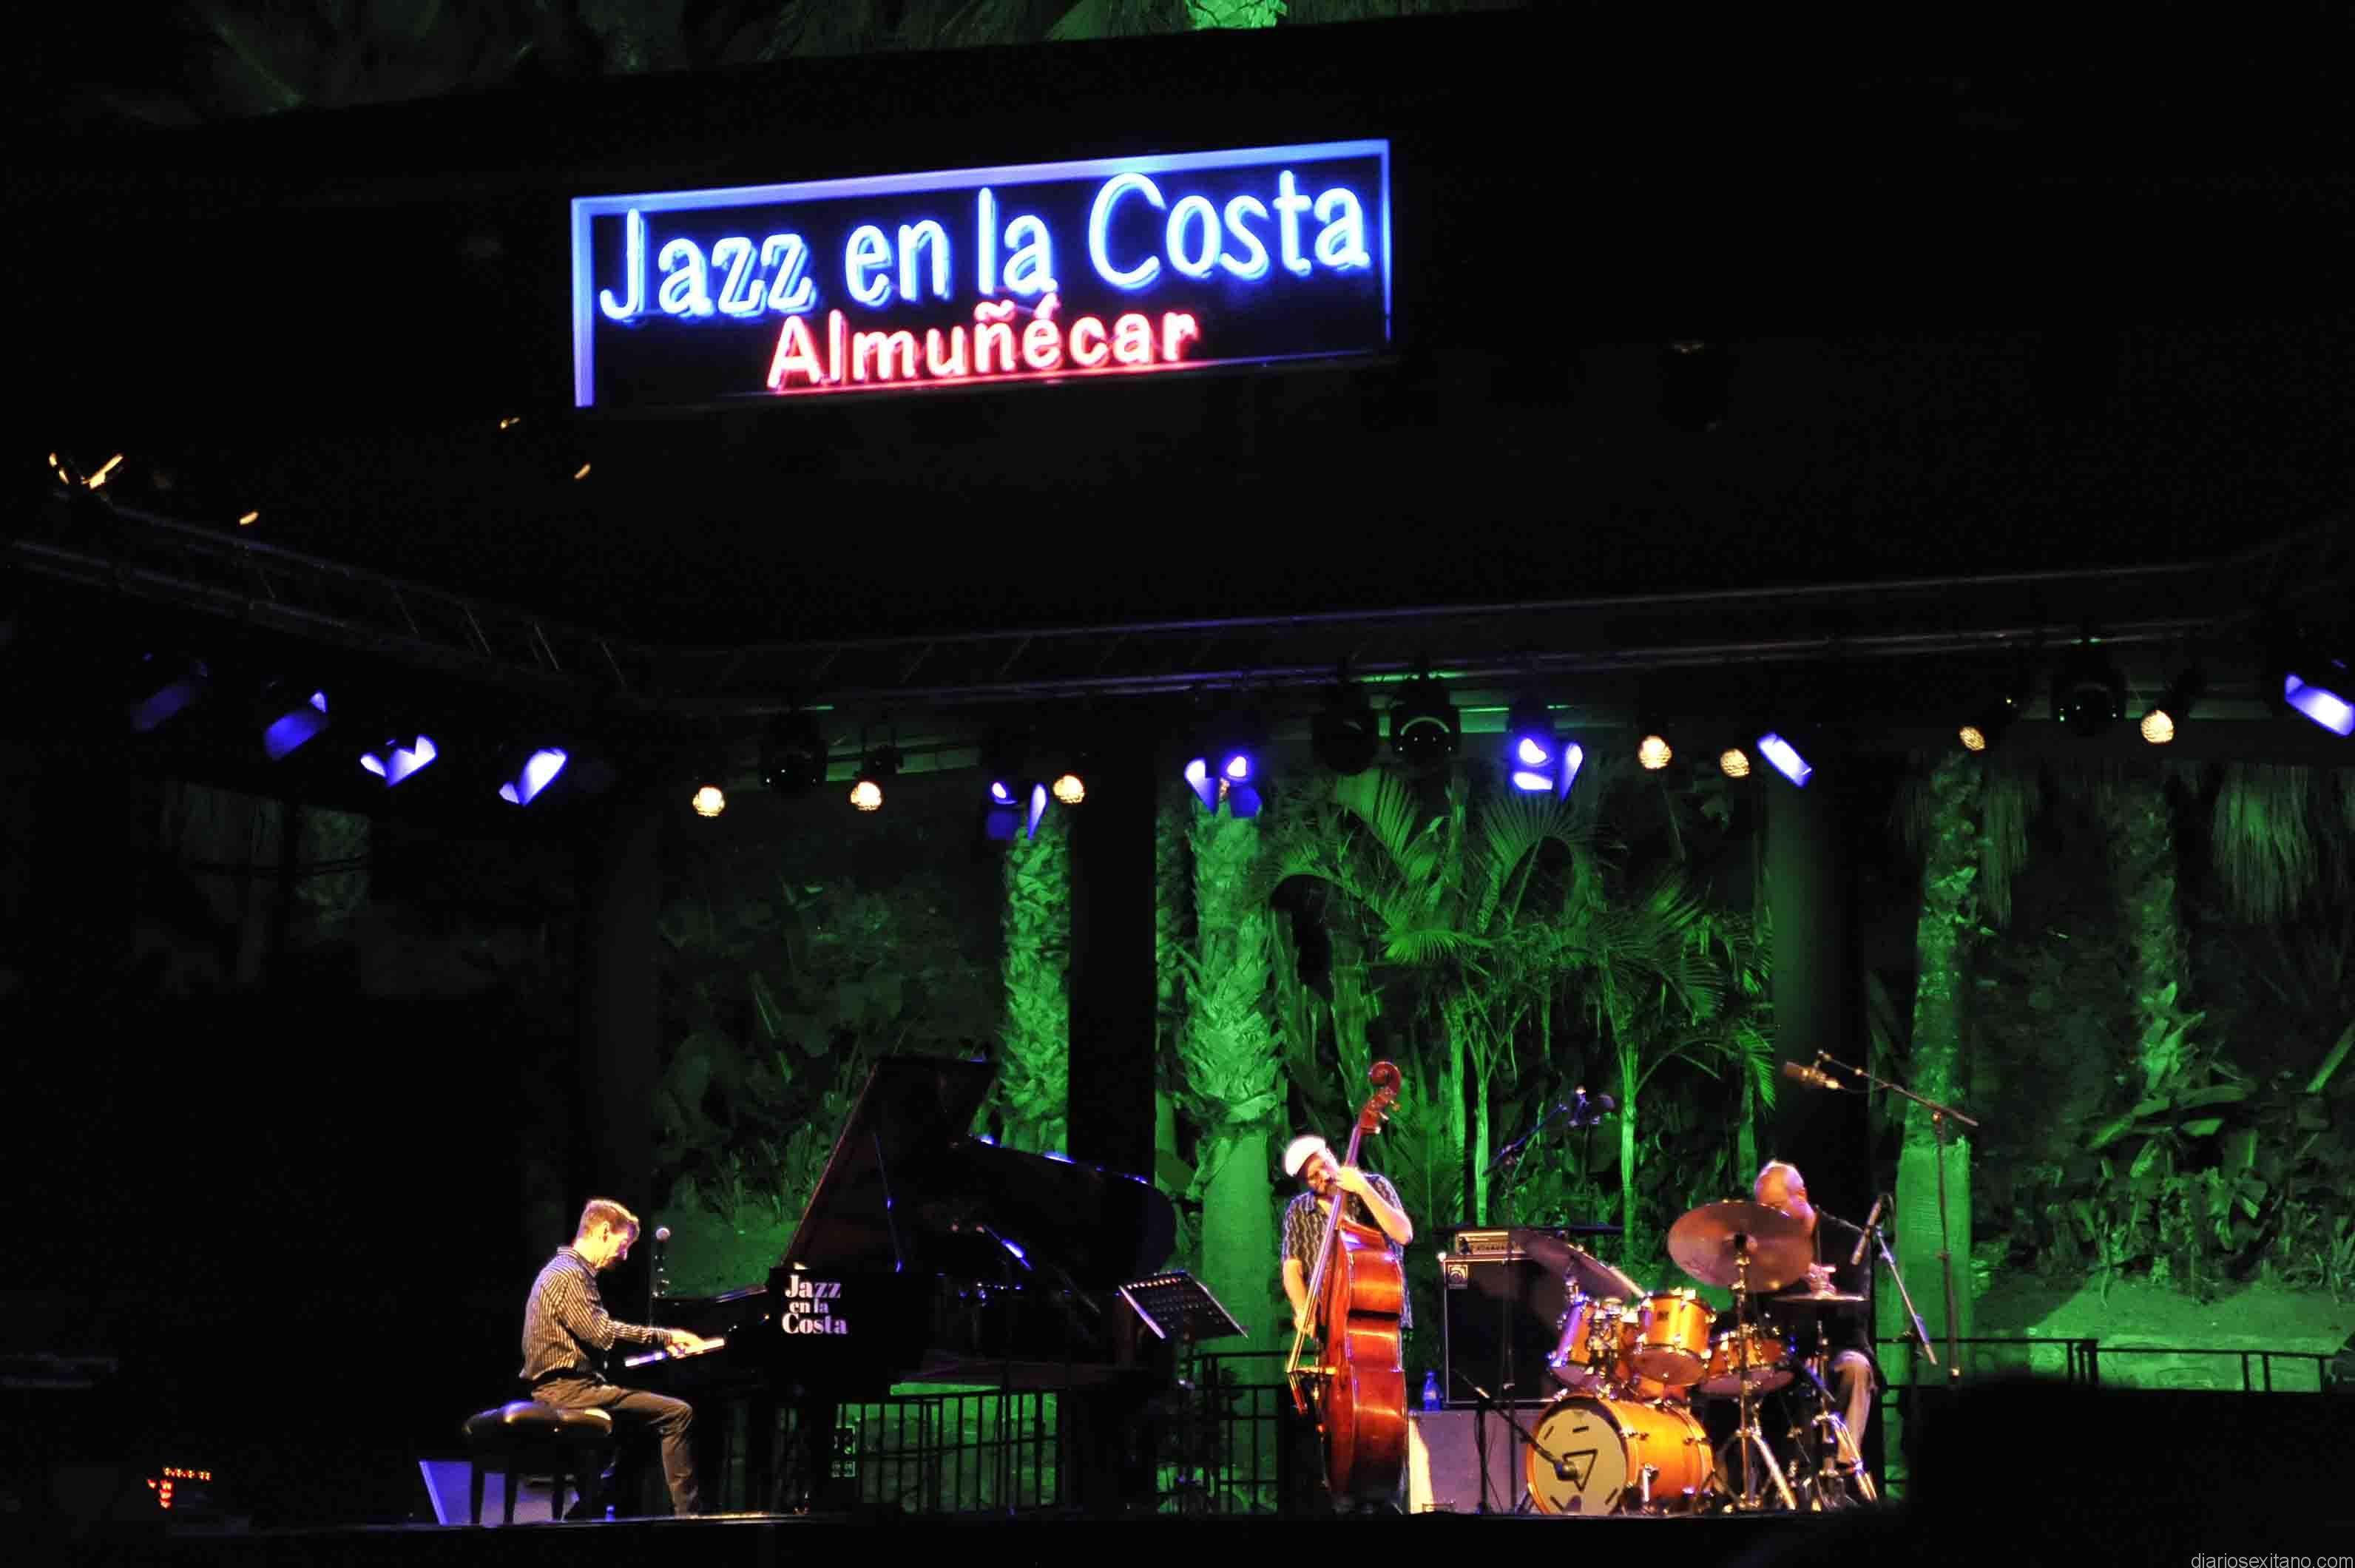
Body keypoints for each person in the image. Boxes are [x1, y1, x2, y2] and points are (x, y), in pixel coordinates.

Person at [520, 1197, 720, 1517]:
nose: (624, 1256)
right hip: (567, 1391)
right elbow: (602, 1333)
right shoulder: (570, 1274)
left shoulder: (562, 1270)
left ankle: (590, 1508)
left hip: (565, 1387)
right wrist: (667, 1336)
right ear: (603, 1232)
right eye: (623, 1245)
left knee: (644, 1428)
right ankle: (689, 1518)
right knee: (678, 1413)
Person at [1277, 1134, 1415, 1513]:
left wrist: (1362, 1190)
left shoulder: (1375, 1186)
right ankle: (1341, 1495)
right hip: (1333, 1331)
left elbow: (1404, 1233)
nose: (1320, 1178)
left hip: (1379, 1325)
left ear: (1330, 1154)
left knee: (1384, 1423)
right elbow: (1292, 1268)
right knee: (1337, 1423)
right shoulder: (1298, 1211)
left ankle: (1389, 1498)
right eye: (1310, 1177)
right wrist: (1303, 1308)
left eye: (1321, 1167)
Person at [1751, 1160, 1876, 1459]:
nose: (1770, 1217)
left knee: (1856, 1368)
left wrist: (1827, 1292)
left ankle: (1843, 1467)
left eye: (1776, 1207)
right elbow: (1758, 1311)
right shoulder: (1767, 1246)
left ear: (1802, 1196)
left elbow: (1858, 1311)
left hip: (1839, 1344)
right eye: (1763, 1209)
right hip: (1786, 1350)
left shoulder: (1849, 1239)